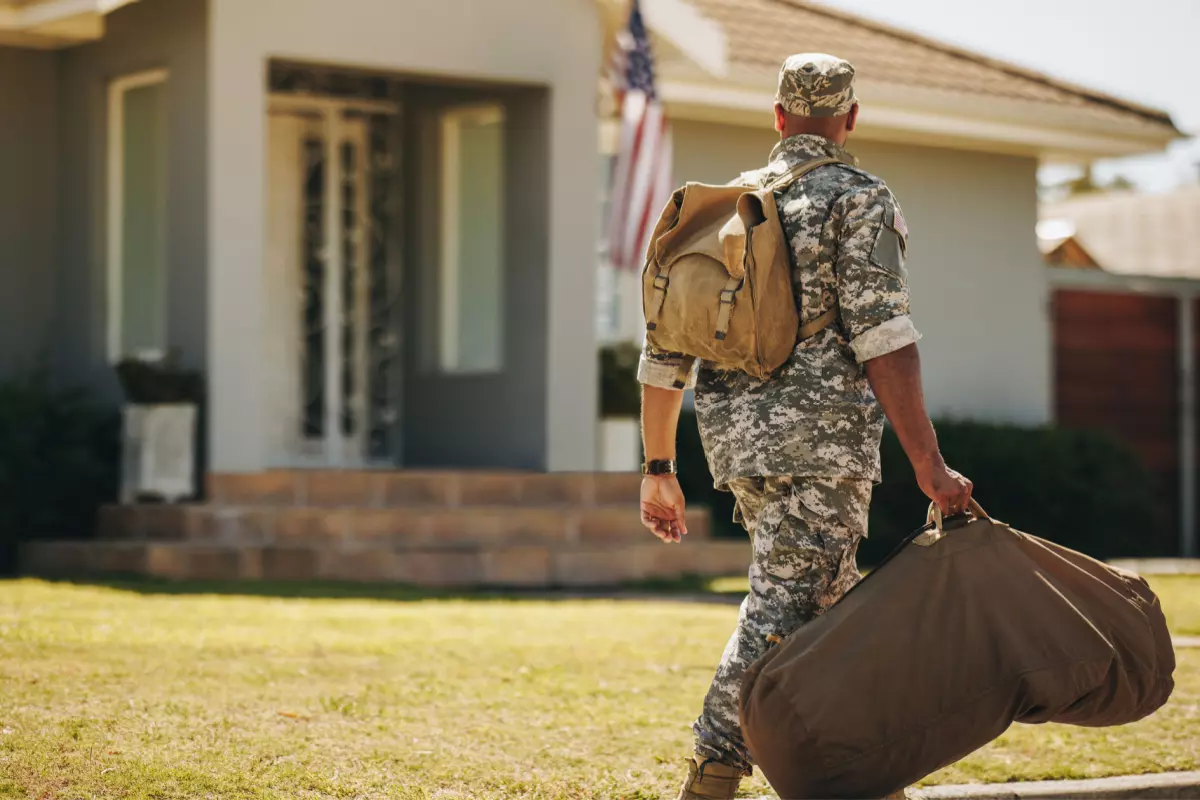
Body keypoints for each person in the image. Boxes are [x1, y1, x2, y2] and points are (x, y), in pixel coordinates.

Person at [636, 53, 974, 800]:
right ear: (850, 119)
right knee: (785, 605)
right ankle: (713, 770)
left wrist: (659, 468)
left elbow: (664, 350)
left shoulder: (727, 207)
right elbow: (883, 336)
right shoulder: (857, 196)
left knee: (829, 602)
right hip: (823, 446)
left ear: (779, 118)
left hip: (735, 445)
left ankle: (859, 773)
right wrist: (930, 461)